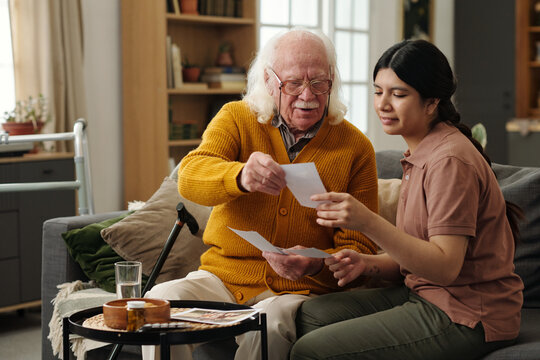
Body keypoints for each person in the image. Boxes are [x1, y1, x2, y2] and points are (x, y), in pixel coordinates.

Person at [142, 28, 379, 360]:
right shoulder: (237, 118)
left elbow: (361, 245)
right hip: (222, 276)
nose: (308, 96)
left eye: (319, 83)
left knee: (269, 325)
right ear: (269, 82)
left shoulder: (356, 148)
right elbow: (191, 175)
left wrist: (315, 264)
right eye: (293, 83)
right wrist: (239, 176)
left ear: (332, 81)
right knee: (159, 304)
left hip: (297, 289)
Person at [290, 39, 524, 360]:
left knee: (311, 351)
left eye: (398, 94)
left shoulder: (449, 160)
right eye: (378, 91)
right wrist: (366, 264)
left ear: (431, 103)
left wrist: (367, 222)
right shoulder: (419, 153)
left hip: (467, 314)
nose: (383, 104)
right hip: (424, 294)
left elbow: (444, 267)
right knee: (307, 316)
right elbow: (416, 253)